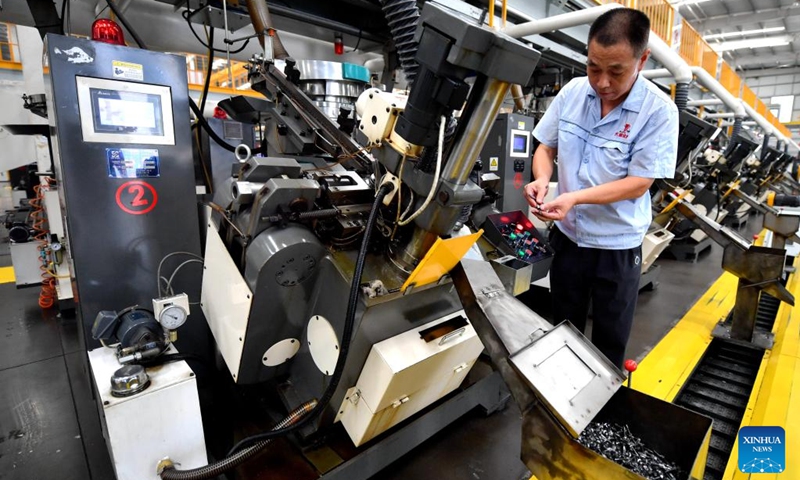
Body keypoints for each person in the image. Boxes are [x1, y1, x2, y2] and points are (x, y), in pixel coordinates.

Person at [524, 8, 678, 368]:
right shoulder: (574, 92)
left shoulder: (659, 112)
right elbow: (546, 147)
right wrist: (542, 178)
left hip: (616, 246)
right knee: (563, 329)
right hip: (569, 238)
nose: (602, 82)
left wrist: (574, 196)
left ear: (642, 60)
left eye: (616, 71)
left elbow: (639, 183)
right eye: (594, 67)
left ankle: (602, 413)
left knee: (609, 340)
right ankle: (562, 401)